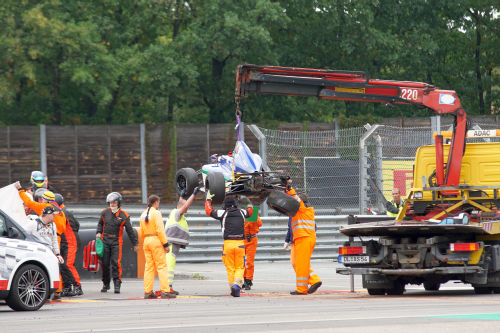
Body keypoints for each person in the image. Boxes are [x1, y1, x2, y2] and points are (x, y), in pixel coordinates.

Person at [205, 192, 253, 297]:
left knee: (230, 268)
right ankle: (237, 285)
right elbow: (251, 211)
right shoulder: (242, 212)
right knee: (240, 267)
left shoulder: (223, 213)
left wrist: (208, 199)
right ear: (235, 204)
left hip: (228, 244)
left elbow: (208, 211)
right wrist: (247, 200)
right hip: (240, 244)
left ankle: (233, 288)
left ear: (225, 206)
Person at [282, 177, 322, 295]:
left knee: (301, 265)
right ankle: (313, 281)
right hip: (303, 238)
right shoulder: (301, 211)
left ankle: (301, 289)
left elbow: (294, 199)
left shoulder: (302, 208)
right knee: (300, 264)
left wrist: (289, 188)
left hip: (304, 238)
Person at [96, 192, 139, 294]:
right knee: (105, 264)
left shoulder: (124, 215)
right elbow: (100, 224)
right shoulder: (104, 212)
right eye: (110, 202)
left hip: (116, 241)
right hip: (105, 240)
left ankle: (117, 283)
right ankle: (106, 283)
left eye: (114, 202)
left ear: (119, 203)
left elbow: (130, 231)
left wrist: (135, 243)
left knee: (115, 263)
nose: (112, 204)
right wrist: (98, 232)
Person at [165, 187, 199, 295]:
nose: (187, 210)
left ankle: (168, 287)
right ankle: (167, 288)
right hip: (171, 244)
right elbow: (184, 206)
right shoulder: (177, 213)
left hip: (172, 243)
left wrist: (182, 196)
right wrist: (193, 195)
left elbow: (181, 204)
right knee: (170, 265)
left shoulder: (176, 213)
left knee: (170, 264)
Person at [140, 195, 175, 299]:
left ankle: (148, 291)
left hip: (146, 240)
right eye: (158, 203)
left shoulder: (142, 214)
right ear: (156, 202)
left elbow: (142, 231)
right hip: (155, 240)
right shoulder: (156, 213)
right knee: (162, 266)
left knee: (149, 267)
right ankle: (165, 291)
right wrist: (165, 244)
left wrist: (146, 241)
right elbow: (160, 230)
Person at [55, 193, 83, 297]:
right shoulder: (61, 212)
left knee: (68, 264)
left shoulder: (64, 213)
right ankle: (66, 287)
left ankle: (78, 286)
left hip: (71, 242)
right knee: (62, 265)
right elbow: (77, 224)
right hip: (65, 242)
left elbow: (76, 225)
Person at [242, 209, 262, 290]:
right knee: (241, 262)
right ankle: (244, 279)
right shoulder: (241, 213)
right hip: (242, 239)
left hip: (252, 240)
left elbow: (260, 224)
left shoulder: (254, 213)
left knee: (249, 262)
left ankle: (248, 280)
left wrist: (254, 216)